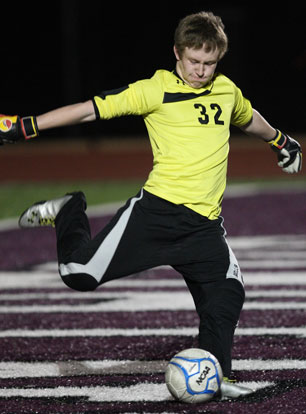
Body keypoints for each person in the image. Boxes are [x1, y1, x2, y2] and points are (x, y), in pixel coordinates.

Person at [0, 11, 302, 400]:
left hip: (203, 228)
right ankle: (69, 209)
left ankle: (215, 371)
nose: (201, 71)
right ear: (177, 53)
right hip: (156, 215)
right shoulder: (155, 89)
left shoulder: (226, 90)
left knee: (228, 292)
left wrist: (279, 140)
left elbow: (247, 117)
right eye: (194, 61)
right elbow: (90, 108)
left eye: (210, 63)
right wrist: (28, 126)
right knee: (78, 273)